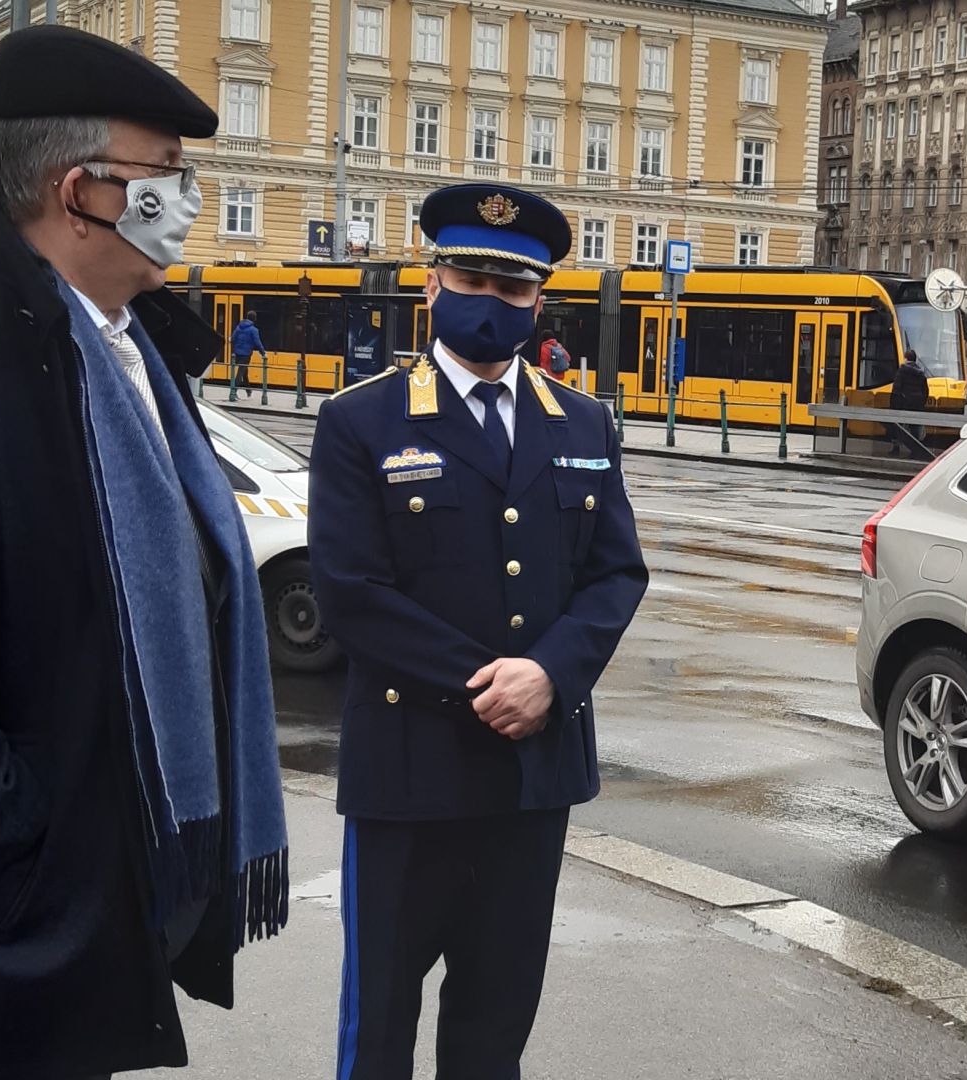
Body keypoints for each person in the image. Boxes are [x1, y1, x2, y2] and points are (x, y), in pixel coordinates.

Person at [0, 26, 288, 1080]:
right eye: (165, 176)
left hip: (104, 885)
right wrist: (22, 862)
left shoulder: (130, 348)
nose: (184, 198)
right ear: (73, 187)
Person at [310, 182, 648, 1080]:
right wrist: (487, 683)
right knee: (378, 1030)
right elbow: (351, 591)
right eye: (472, 278)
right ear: (431, 283)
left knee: (496, 1034)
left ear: (540, 300)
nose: (491, 303)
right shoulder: (362, 421)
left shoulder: (582, 423)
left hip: (530, 782)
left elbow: (615, 574)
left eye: (514, 289)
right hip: (408, 777)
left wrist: (552, 676)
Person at [889, 347, 929, 456]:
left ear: (906, 358)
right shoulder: (921, 373)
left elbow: (896, 388)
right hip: (916, 403)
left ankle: (896, 448)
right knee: (914, 427)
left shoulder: (902, 370)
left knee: (898, 426)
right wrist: (922, 402)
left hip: (903, 401)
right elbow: (925, 391)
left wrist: (893, 403)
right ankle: (914, 450)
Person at [231, 307, 266, 395]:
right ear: (254, 319)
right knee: (241, 371)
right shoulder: (254, 330)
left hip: (237, 353)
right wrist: (263, 353)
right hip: (246, 354)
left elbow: (233, 338)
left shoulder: (239, 327)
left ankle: (248, 390)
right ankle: (233, 392)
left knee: (244, 371)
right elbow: (257, 343)